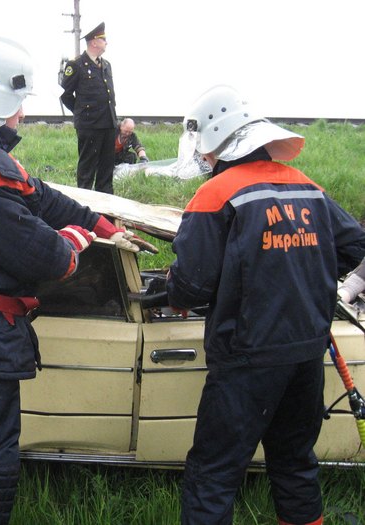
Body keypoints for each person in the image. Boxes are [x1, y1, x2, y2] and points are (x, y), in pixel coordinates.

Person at [0, 35, 153, 525]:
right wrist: (78, 239)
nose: (22, 113)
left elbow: (39, 195)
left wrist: (99, 221)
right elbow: (52, 260)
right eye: (17, 103)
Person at [166, 85, 365, 525]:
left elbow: (191, 287)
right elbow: (353, 248)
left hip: (246, 360)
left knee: (213, 474)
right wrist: (300, 272)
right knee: (295, 464)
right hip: (306, 354)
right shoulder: (308, 187)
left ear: (215, 141)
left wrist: (178, 289)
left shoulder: (216, 194)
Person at [60, 22, 117, 194]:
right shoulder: (76, 64)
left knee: (106, 169)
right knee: (87, 169)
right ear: (94, 42)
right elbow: (65, 94)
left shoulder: (106, 64)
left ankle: (106, 202)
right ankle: (84, 203)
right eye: (103, 39)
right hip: (89, 125)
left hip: (108, 123)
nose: (106, 42)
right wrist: (81, 112)